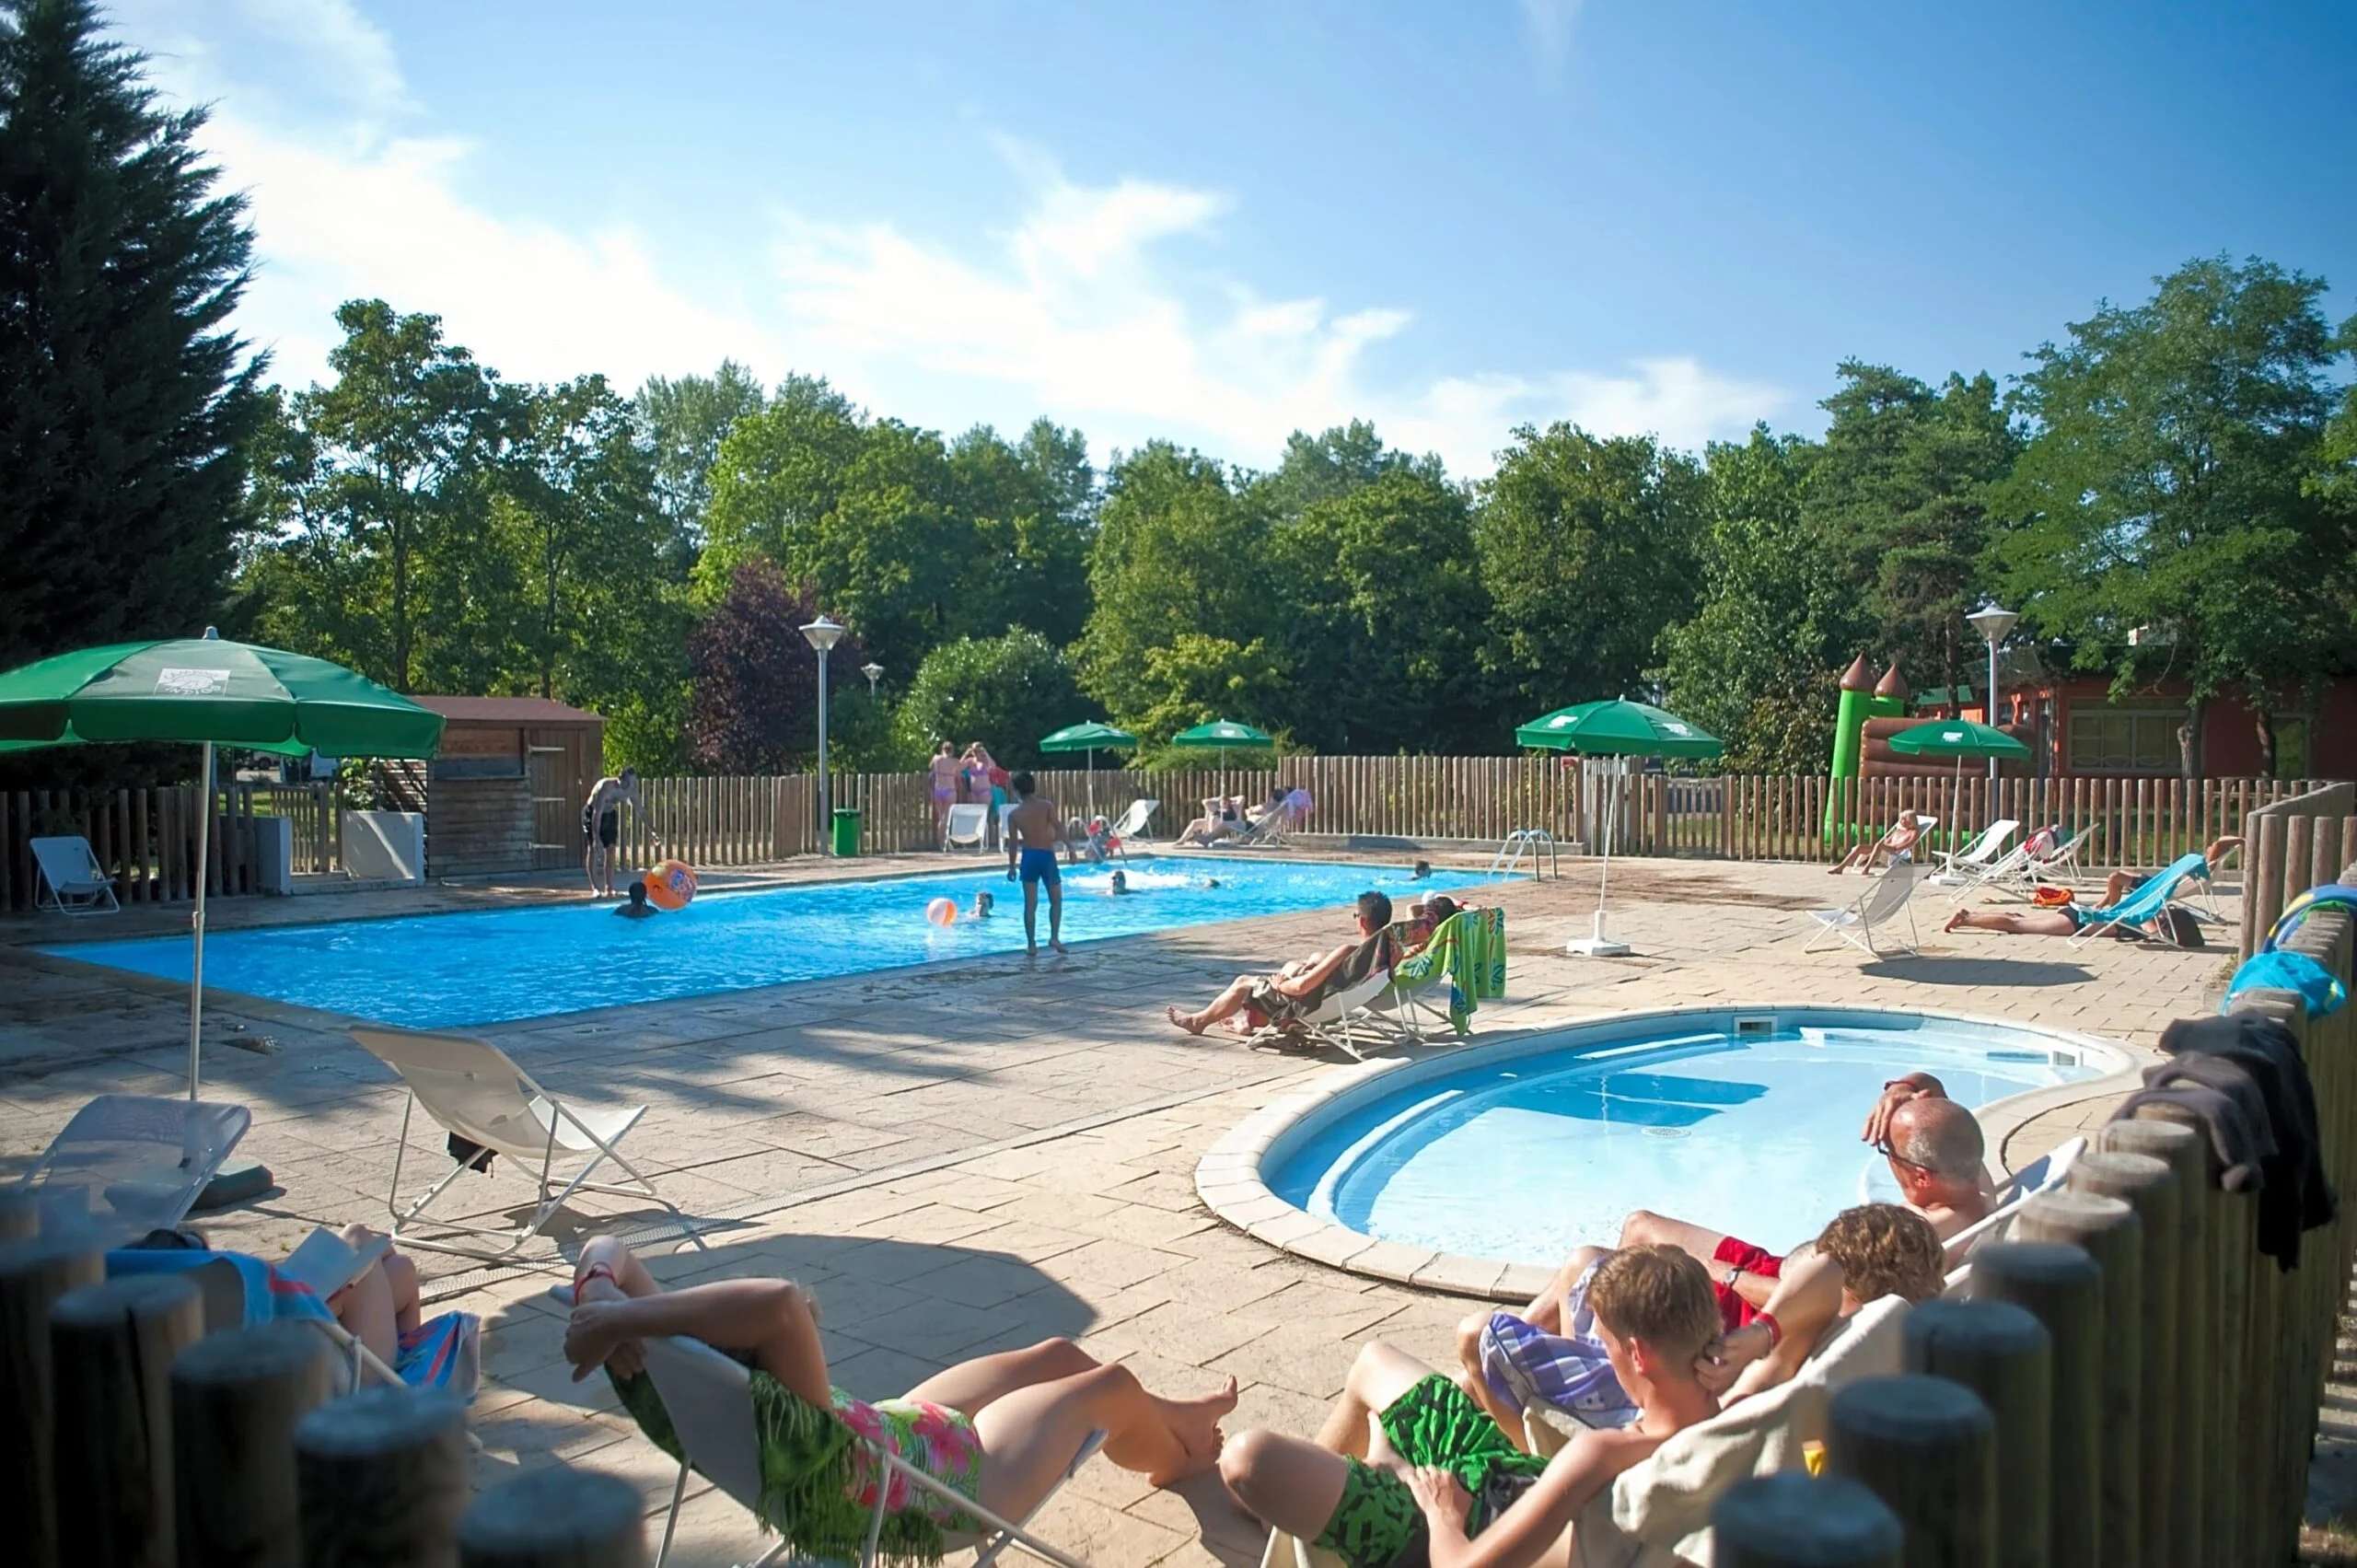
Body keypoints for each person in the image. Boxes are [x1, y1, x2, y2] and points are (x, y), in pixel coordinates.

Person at [563, 1237, 1235, 1566]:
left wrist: (602, 1292)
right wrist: (620, 1319)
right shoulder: (790, 1412)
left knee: (1060, 1352)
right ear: (759, 1348)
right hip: (939, 1487)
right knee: (1108, 1383)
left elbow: (609, 1249)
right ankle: (1175, 1460)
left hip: (888, 1440)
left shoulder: (690, 1373)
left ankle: (1179, 1419)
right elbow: (780, 1303)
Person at [1218, 1246, 1721, 1568]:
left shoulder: (1600, 1455)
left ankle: (1358, 1478)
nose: (1602, 1356)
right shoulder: (1733, 1419)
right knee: (1375, 1361)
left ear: (1637, 1353)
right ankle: (1313, 1495)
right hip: (1504, 1475)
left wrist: (1440, 1511)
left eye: (1606, 1346)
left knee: (1248, 1459)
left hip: (1461, 1521)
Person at [1457, 1204, 1944, 1441]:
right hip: (1672, 1397)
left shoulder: (1801, 1345)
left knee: (1479, 1335)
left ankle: (1530, 1450)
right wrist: (1762, 1333)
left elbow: (1823, 1276)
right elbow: (1825, 1279)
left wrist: (1760, 1334)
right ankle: (1552, 1387)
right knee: (1586, 1266)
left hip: (1652, 1416)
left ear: (1848, 1290)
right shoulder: (1871, 1336)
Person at [1614, 1074, 1992, 1319]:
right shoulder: (1970, 1179)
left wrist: (1719, 1272)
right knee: (1640, 1225)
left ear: (1922, 1176)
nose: (1888, 1161)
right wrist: (1904, 1089)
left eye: (1889, 1152)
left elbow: (1817, 1308)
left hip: (1759, 1305)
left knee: (1606, 1268)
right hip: (1771, 1269)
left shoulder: (1912, 1239)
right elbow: (1942, 1107)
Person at [1166, 891, 1396, 1036]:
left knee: (1243, 983)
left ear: (1363, 920)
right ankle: (1246, 1022)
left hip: (1304, 1004)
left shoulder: (1349, 951)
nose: (1355, 920)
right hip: (1327, 998)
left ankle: (1199, 1021)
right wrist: (1314, 964)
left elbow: (1300, 988)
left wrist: (1279, 985)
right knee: (1301, 963)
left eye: (1356, 916)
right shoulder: (1380, 951)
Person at [1943, 834, 2241, 938]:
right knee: (2017, 925)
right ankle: (1967, 918)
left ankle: (1970, 917)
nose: (2161, 921)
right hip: (2080, 920)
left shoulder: (2143, 913)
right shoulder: (2143, 919)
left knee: (2020, 922)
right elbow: (2151, 928)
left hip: (2083, 918)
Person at [1003, 771, 1068, 957]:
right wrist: (1070, 847)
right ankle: (1054, 937)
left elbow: (1014, 844)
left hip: (1029, 858)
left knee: (1030, 904)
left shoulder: (1015, 814)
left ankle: (1031, 945)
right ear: (1033, 787)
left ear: (1016, 790)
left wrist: (1011, 866)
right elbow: (1058, 827)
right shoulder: (1046, 806)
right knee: (1056, 900)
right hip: (1046, 857)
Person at [582, 767, 655, 898]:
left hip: (609, 815)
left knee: (610, 850)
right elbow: (596, 813)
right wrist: (596, 837)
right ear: (619, 779)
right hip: (592, 814)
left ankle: (609, 888)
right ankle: (595, 888)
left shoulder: (630, 790)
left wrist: (652, 830)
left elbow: (641, 811)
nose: (630, 786)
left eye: (633, 782)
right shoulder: (606, 787)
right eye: (628, 782)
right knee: (593, 849)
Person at [1829, 811, 1924, 875]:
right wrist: (1883, 846)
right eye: (1901, 819)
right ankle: (1840, 868)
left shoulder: (1914, 832)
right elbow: (1886, 842)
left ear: (1910, 821)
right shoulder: (1898, 831)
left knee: (1879, 845)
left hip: (1896, 853)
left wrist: (1895, 848)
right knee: (1859, 847)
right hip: (1887, 850)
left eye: (1904, 819)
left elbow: (1910, 844)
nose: (1901, 821)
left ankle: (1866, 869)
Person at [1177, 796, 1244, 848]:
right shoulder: (1216, 809)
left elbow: (1242, 797)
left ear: (1229, 802)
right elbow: (1204, 802)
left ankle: (1209, 839)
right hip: (1214, 827)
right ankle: (1182, 840)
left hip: (1229, 826)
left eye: (1226, 801)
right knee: (1195, 822)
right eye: (1222, 801)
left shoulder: (1234, 807)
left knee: (1214, 818)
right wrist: (1217, 799)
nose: (1224, 803)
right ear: (1219, 802)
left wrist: (1230, 799)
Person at [929, 742, 961, 840]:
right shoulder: (955, 761)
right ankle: (945, 842)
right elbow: (958, 776)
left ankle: (941, 841)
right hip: (950, 790)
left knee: (941, 818)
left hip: (938, 789)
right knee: (946, 818)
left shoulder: (936, 759)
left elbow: (930, 767)